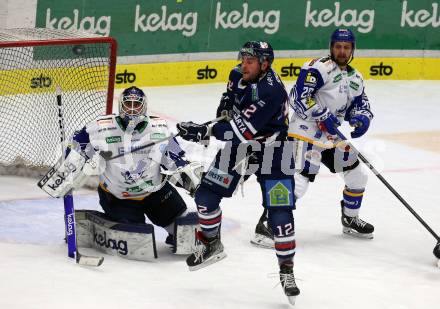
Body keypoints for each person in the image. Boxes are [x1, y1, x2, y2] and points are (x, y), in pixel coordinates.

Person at [177, 41, 300, 304]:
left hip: (274, 151)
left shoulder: (272, 91)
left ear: (264, 64)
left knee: (280, 216)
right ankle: (211, 243)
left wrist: (203, 132)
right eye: (242, 59)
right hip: (241, 149)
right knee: (205, 198)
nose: (243, 65)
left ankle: (286, 271)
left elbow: (238, 131)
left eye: (250, 61)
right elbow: (229, 97)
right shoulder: (237, 74)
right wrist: (224, 108)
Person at [253, 28, 374, 248]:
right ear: (331, 47)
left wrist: (361, 118)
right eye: (338, 46)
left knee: (358, 175)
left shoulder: (356, 78)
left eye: (346, 47)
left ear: (352, 50)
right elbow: (298, 97)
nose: (342, 51)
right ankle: (267, 224)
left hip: (330, 137)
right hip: (304, 132)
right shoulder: (318, 67)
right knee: (298, 182)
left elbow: (360, 104)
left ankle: (350, 219)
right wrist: (321, 114)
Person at [69, 86, 202, 258]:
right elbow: (77, 144)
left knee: (185, 228)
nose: (132, 109)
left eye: (136, 104)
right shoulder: (101, 128)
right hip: (118, 197)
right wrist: (74, 160)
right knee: (136, 237)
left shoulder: (159, 128)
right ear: (120, 107)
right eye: (128, 104)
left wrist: (186, 174)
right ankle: (100, 225)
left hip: (155, 192)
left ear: (144, 106)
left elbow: (175, 158)